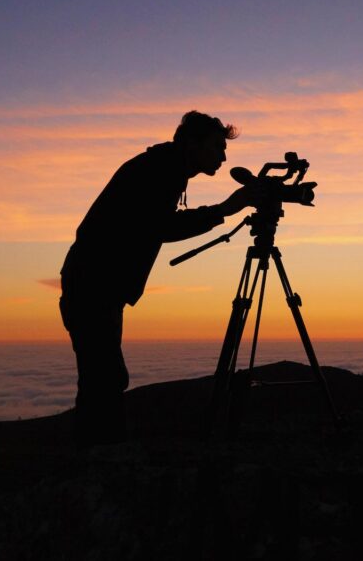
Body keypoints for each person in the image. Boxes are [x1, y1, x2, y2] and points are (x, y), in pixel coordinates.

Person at [59, 111, 256, 446]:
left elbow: (153, 224)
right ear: (191, 143)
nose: (223, 158)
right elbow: (161, 226)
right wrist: (223, 210)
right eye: (217, 147)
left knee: (103, 378)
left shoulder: (163, 167)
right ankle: (98, 458)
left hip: (96, 284)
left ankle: (96, 456)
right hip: (94, 285)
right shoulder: (160, 170)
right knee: (104, 380)